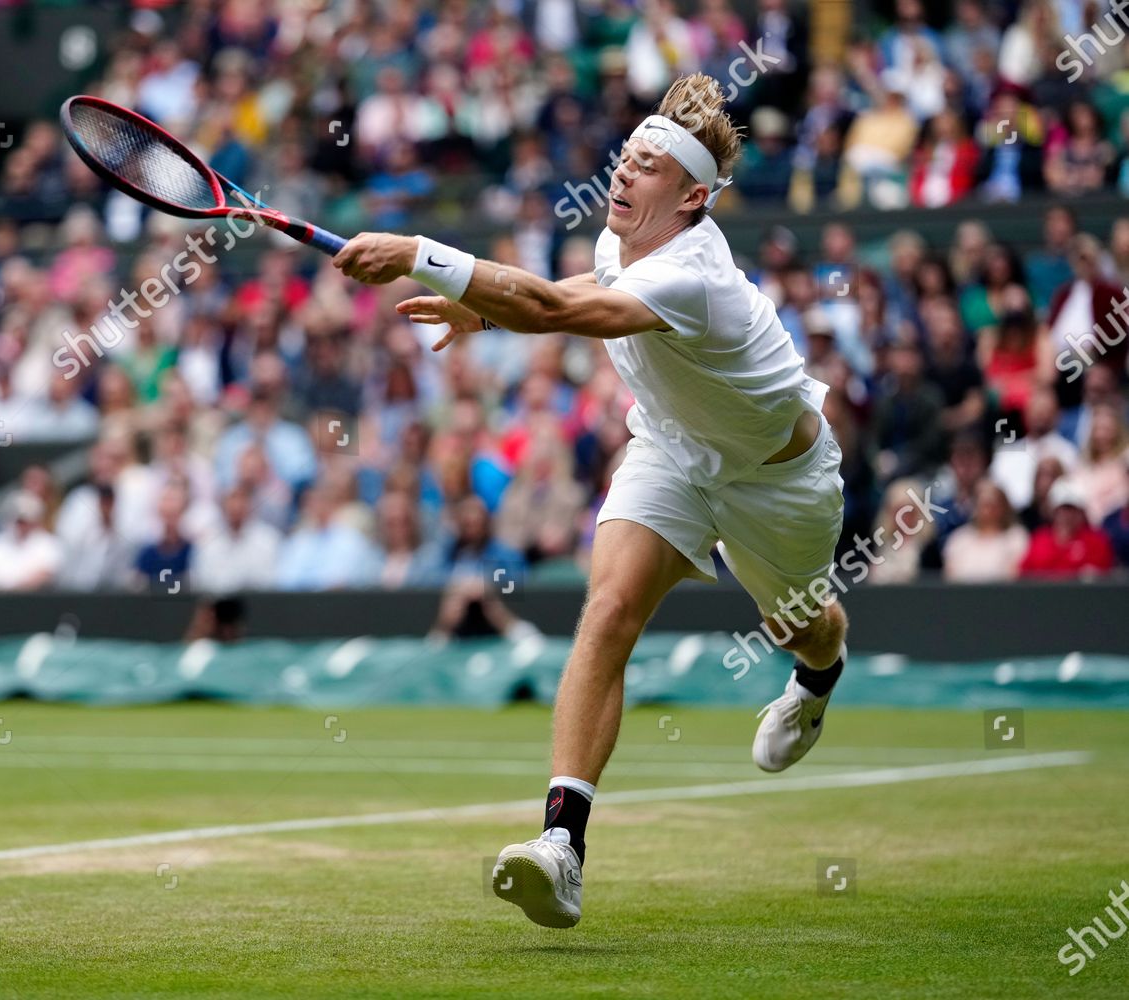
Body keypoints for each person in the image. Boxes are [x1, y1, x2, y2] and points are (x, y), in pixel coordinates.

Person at [335, 74, 847, 930]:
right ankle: (561, 848)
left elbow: (552, 305)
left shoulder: (694, 277)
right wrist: (488, 315)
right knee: (607, 609)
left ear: (691, 196)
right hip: (672, 452)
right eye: (626, 156)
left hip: (778, 482)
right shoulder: (622, 245)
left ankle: (817, 682)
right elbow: (559, 299)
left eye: (647, 166)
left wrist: (425, 255)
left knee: (808, 625)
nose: (624, 172)